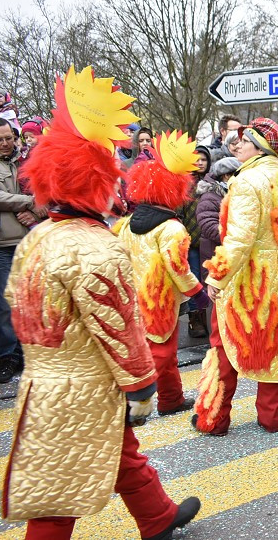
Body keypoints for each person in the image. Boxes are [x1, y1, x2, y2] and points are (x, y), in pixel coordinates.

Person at [4, 65, 200, 540]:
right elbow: (117, 322)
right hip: (84, 384)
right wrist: (140, 385)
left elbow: (16, 302)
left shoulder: (41, 235)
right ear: (95, 181)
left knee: (118, 451)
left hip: (44, 378)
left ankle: (156, 516)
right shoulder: (94, 244)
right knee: (58, 494)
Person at [194, 118, 278, 436]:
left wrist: (217, 277)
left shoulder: (247, 181)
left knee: (224, 345)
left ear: (258, 147)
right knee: (273, 344)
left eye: (244, 141)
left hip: (249, 280)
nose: (238, 146)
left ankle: (214, 417)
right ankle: (273, 417)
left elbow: (239, 239)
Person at [116, 132, 206, 416]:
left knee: (156, 351)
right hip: (161, 298)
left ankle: (171, 399)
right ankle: (135, 399)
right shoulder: (172, 228)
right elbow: (178, 268)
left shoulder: (128, 223)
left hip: (133, 295)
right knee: (162, 353)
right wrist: (197, 293)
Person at [0, 117, 42, 383]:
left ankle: (28, 352)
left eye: (8, 137)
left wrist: (34, 211)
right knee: (3, 305)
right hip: (0, 245)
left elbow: (45, 193)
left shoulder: (26, 160)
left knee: (31, 301)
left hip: (30, 240)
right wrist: (27, 203)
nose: (5, 143)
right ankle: (7, 355)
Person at [179, 145, 211, 338]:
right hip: (190, 241)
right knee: (193, 279)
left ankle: (208, 316)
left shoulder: (212, 183)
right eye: (196, 159)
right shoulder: (185, 183)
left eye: (203, 160)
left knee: (208, 278)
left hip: (208, 240)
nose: (200, 163)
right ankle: (195, 318)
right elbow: (179, 211)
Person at [196, 156, 241, 284]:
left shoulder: (232, 193)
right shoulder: (210, 197)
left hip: (229, 254)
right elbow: (209, 225)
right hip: (215, 255)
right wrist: (236, 235)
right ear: (226, 176)